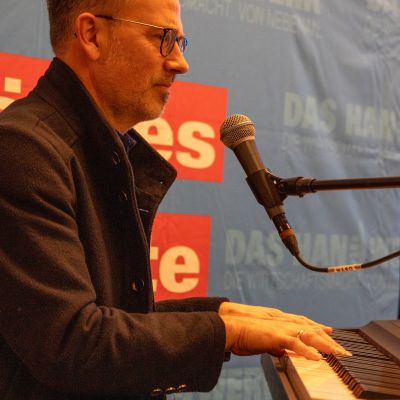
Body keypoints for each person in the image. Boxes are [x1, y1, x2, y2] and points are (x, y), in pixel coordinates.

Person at [0, 0, 350, 398]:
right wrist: (227, 332)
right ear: (92, 35)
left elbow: (113, 317)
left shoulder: (83, 148)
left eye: (180, 42)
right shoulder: (22, 149)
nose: (181, 63)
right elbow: (72, 343)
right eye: (163, 38)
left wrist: (217, 313)